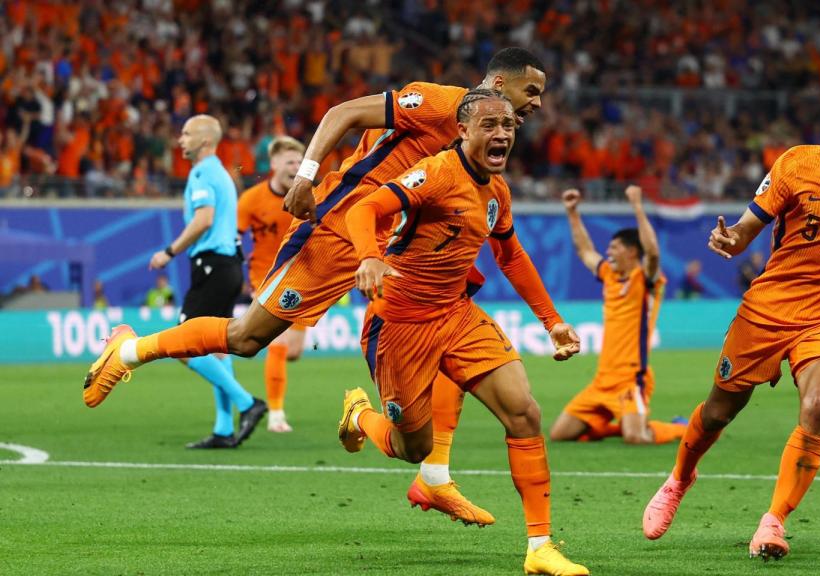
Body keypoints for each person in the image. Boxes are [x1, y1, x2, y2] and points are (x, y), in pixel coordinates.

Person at [82, 48, 547, 524]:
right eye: (530, 90)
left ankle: (433, 476)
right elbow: (342, 113)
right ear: (497, 84)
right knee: (248, 337)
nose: (535, 104)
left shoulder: (487, 139)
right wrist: (305, 177)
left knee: (446, 325)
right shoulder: (437, 103)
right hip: (340, 229)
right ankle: (130, 350)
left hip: (392, 245)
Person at [642, 82, 820, 560]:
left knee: (819, 403)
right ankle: (679, 479)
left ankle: (773, 522)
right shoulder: (797, 163)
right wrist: (730, 241)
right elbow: (745, 230)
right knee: (718, 412)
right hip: (769, 308)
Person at [339, 89, 588, 576]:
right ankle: (359, 414)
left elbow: (511, 256)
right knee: (412, 448)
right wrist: (369, 254)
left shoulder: (496, 190)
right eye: (490, 124)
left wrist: (552, 321)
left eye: (509, 127)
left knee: (524, 411)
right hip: (401, 325)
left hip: (455, 316)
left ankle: (540, 549)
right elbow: (362, 210)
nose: (501, 134)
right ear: (463, 130)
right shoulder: (435, 174)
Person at [86, 114, 266, 449]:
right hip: (227, 266)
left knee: (185, 346)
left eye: (186, 133)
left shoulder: (201, 172)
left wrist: (169, 252)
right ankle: (225, 428)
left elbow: (204, 219)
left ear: (205, 141)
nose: (180, 139)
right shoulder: (222, 175)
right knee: (217, 348)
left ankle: (247, 403)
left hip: (212, 265)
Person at [548, 185, 686, 445]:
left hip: (631, 378)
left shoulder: (645, 280)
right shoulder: (609, 276)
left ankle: (682, 428)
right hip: (602, 379)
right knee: (560, 434)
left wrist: (636, 205)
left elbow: (653, 253)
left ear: (632, 252)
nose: (608, 252)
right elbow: (585, 251)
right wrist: (572, 213)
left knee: (637, 437)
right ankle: (618, 426)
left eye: (614, 248)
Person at [237, 136, 307, 432]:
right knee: (278, 345)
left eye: (299, 162)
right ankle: (276, 414)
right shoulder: (252, 199)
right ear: (275, 164)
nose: (295, 167)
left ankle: (259, 346)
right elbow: (235, 236)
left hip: (303, 277)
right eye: (290, 161)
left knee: (293, 351)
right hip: (265, 277)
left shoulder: (308, 197)